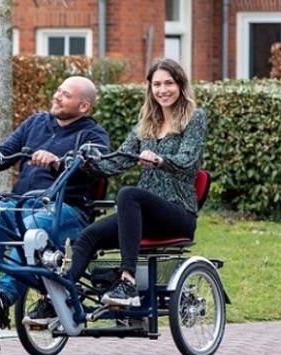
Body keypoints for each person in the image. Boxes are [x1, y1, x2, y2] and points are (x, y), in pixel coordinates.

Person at [25, 58, 207, 326]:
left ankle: (127, 283)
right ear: (150, 88)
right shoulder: (145, 123)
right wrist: (76, 162)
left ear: (180, 85)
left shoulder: (195, 117)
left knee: (128, 194)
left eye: (169, 83)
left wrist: (159, 160)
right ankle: (58, 299)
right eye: (157, 84)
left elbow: (189, 161)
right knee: (88, 235)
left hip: (178, 211)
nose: (163, 90)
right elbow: (115, 161)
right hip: (144, 214)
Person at [0, 76, 110, 329]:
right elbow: (4, 153)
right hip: (21, 204)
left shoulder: (92, 134)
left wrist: (57, 162)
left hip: (65, 209)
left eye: (65, 95)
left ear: (83, 106)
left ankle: (2, 298)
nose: (57, 96)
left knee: (29, 230)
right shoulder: (35, 123)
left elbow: (98, 164)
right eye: (58, 90)